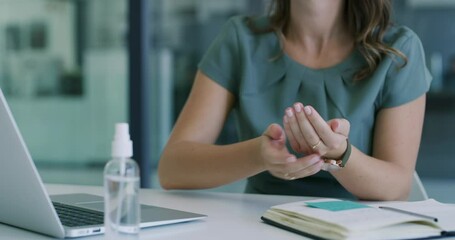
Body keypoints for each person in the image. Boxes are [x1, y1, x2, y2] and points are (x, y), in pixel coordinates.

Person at [158, 0, 432, 201]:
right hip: (258, 225)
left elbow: (397, 186)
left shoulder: (399, 50)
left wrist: (338, 155)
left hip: (359, 229)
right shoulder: (240, 39)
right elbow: (173, 168)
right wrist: (259, 155)